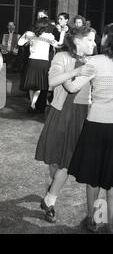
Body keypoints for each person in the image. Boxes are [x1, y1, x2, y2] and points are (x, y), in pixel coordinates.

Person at [35, 26, 96, 223]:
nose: (94, 44)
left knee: (67, 161)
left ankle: (50, 199)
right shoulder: (61, 57)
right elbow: (52, 81)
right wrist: (78, 70)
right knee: (55, 160)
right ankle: (51, 190)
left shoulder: (94, 62)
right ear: (78, 41)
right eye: (90, 40)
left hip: (82, 114)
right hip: (61, 112)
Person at [67, 24, 113, 233]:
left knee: (93, 177)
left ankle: (92, 220)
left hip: (95, 124)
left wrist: (69, 71)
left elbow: (72, 87)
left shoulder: (95, 62)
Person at [18, 17, 59, 112]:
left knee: (31, 84)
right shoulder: (49, 36)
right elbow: (58, 45)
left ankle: (32, 104)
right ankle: (33, 103)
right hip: (43, 62)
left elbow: (20, 43)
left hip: (32, 61)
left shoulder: (29, 34)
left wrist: (29, 41)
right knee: (39, 85)